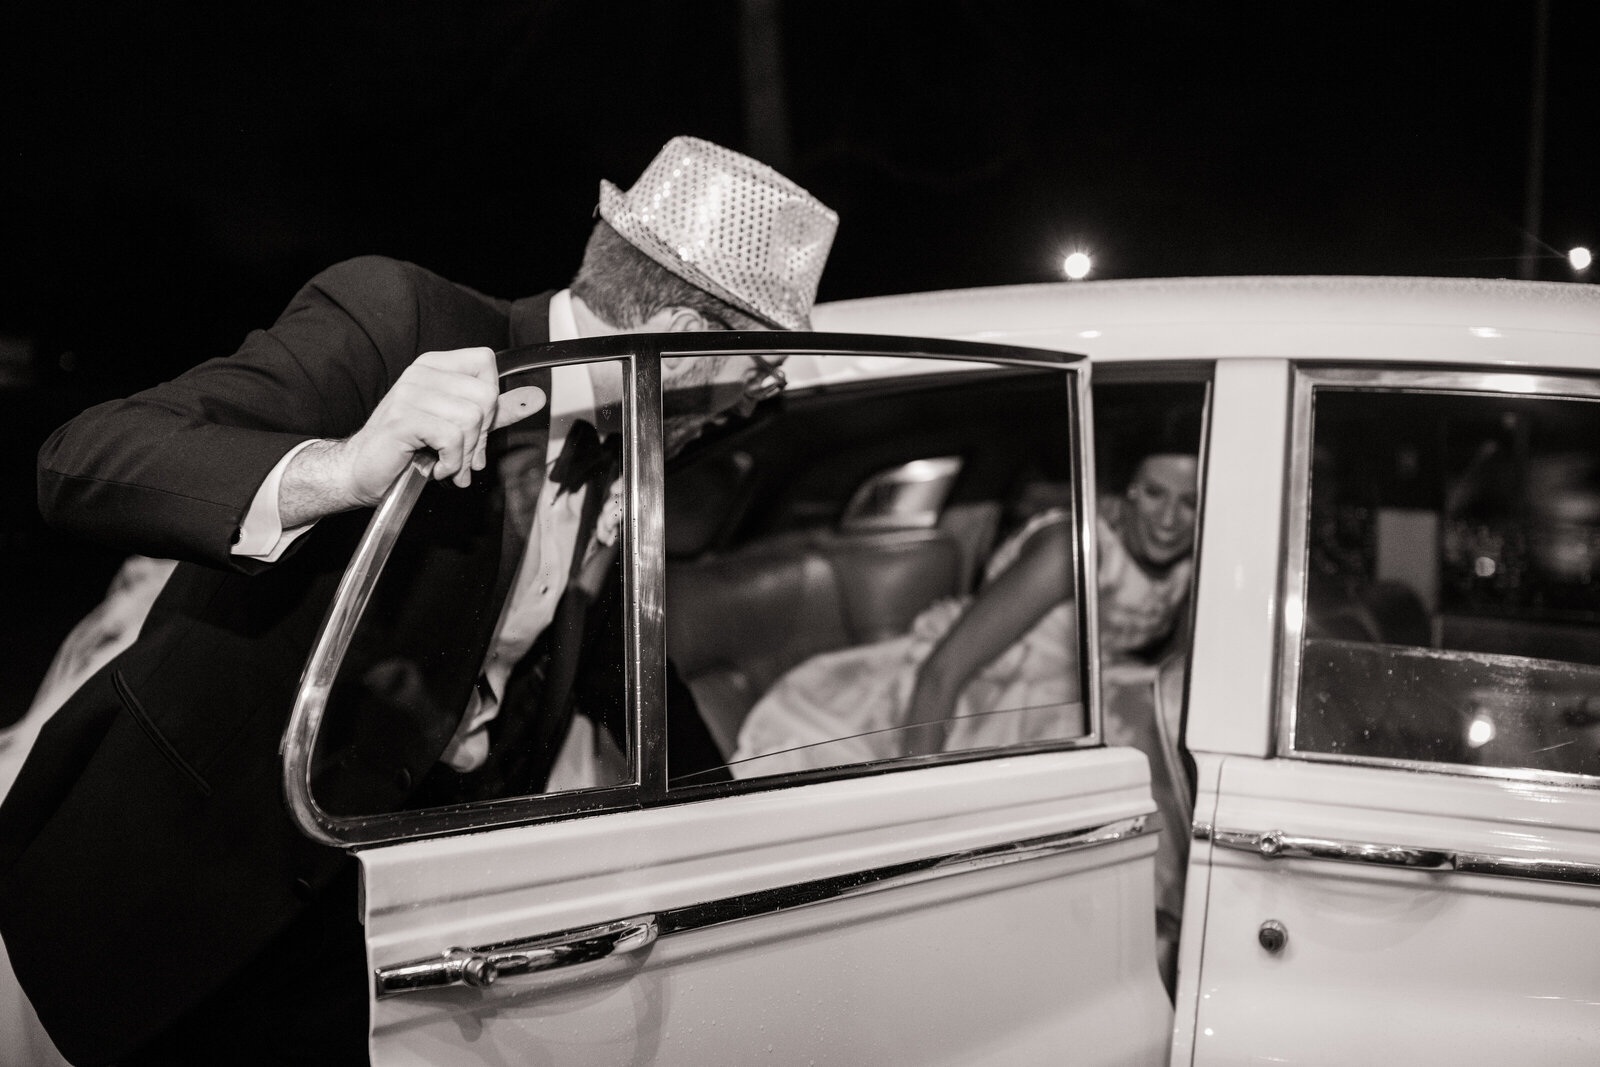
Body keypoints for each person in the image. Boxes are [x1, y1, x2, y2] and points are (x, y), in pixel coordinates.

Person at [0, 135, 837, 1066]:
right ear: (685, 340)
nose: (758, 397)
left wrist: (752, 830)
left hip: (382, 927)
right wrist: (341, 467)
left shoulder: (627, 446)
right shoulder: (400, 317)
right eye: (762, 365)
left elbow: (611, 653)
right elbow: (83, 459)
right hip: (178, 880)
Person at [731, 448, 1200, 773]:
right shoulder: (1071, 551)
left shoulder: (1195, 565)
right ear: (1125, 492)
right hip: (965, 712)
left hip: (1068, 717)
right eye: (1155, 493)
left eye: (1190, 502)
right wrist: (918, 798)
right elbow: (944, 670)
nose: (1168, 519)